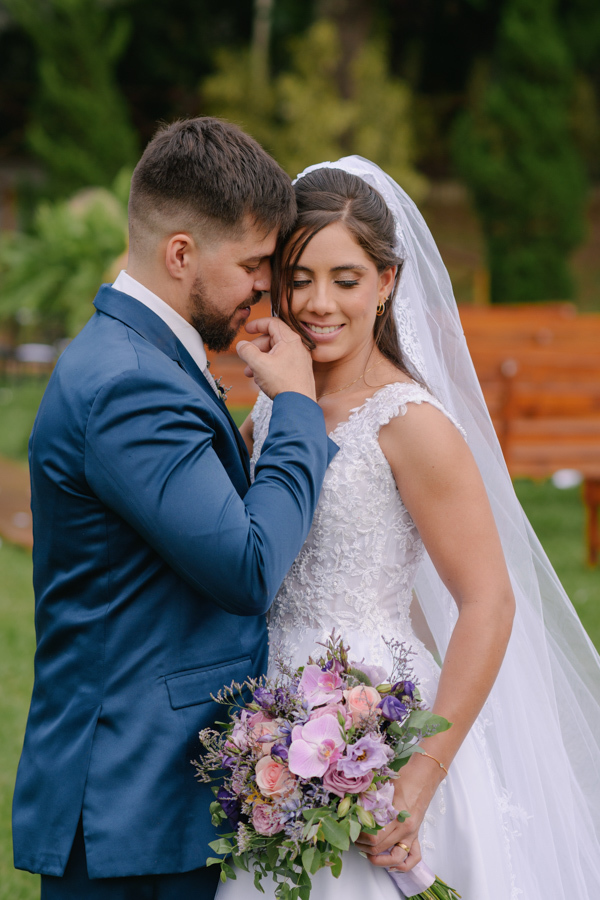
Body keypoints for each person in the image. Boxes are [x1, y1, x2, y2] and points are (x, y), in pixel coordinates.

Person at [218, 157, 600, 899]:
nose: (318, 303)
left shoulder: (411, 424)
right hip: (271, 720)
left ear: (387, 282)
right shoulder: (273, 403)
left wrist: (420, 775)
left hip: (379, 729)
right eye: (299, 279)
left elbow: (489, 602)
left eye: (346, 279)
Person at [12, 118, 338, 900]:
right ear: (181, 253)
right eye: (254, 265)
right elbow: (249, 566)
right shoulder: (130, 385)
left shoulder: (140, 359)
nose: (266, 290)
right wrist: (297, 408)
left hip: (150, 797)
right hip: (133, 803)